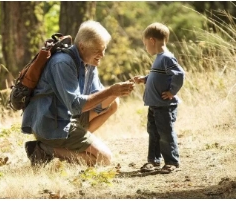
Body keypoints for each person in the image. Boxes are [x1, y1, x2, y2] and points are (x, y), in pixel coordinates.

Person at [21, 20, 135, 167]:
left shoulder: (90, 63)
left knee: (114, 103)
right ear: (82, 47)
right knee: (104, 159)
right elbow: (76, 105)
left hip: (69, 117)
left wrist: (116, 93)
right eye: (98, 50)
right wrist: (110, 90)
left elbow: (98, 103)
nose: (102, 54)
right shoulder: (62, 63)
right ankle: (45, 149)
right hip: (52, 124)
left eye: (104, 49)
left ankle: (74, 143)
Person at [132, 22, 185, 174]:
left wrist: (172, 92)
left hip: (164, 105)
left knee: (165, 132)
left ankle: (171, 162)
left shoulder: (166, 58)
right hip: (154, 104)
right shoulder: (159, 59)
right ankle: (153, 161)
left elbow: (179, 74)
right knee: (153, 132)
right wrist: (145, 79)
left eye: (145, 44)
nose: (145, 47)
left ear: (152, 40)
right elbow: (158, 77)